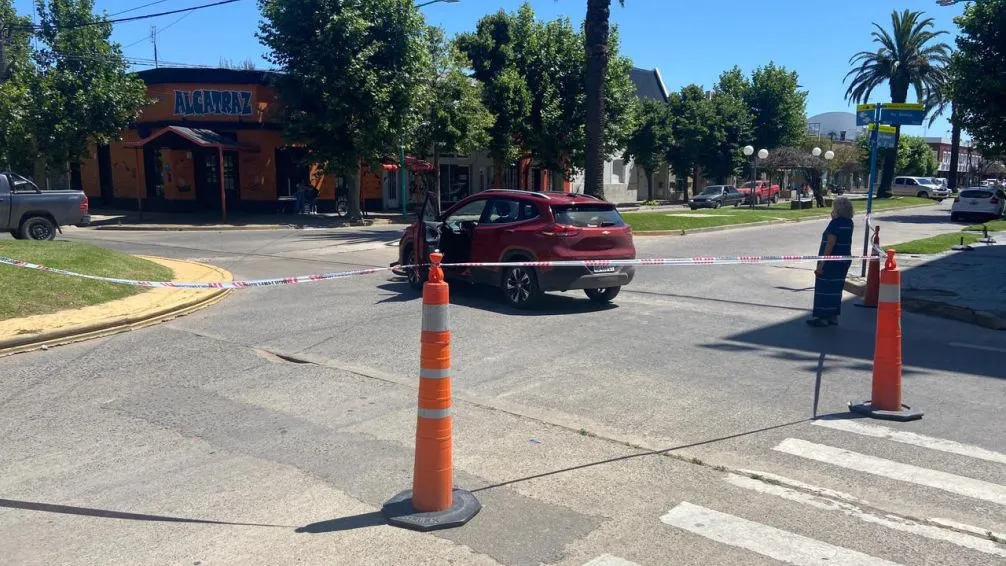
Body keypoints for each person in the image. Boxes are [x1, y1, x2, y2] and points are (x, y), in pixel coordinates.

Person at [808, 195, 855, 327]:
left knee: (824, 289)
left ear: (838, 210)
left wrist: (822, 263)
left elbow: (830, 244)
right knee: (836, 289)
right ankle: (833, 316)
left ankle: (823, 318)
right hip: (844, 260)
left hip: (831, 261)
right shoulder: (849, 223)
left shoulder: (835, 223)